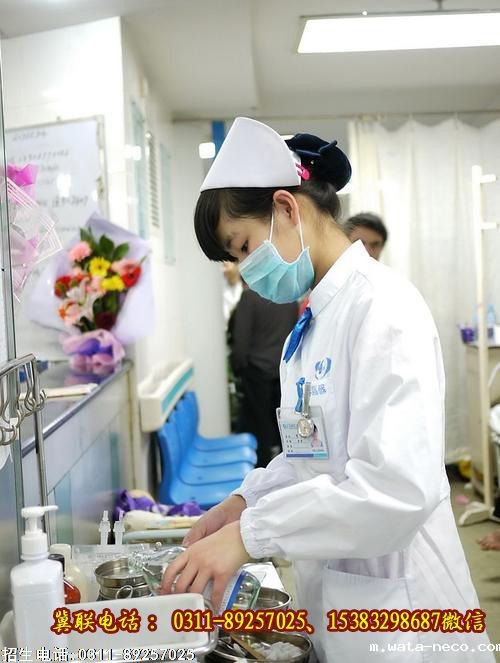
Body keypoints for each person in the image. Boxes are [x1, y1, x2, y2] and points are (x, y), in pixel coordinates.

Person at [161, 118, 494, 662]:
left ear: (286, 207)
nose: (245, 270)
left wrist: (251, 535)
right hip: (347, 604)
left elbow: (395, 489)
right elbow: (313, 456)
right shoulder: (315, 321)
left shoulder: (383, 308)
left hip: (405, 616)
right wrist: (245, 502)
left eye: (243, 247)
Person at [228, 286, 298, 467]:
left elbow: (241, 339)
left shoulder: (249, 298)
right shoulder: (289, 297)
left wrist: (238, 367)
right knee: (284, 425)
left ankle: (263, 467)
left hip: (256, 371)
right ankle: (288, 467)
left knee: (259, 427)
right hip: (284, 371)